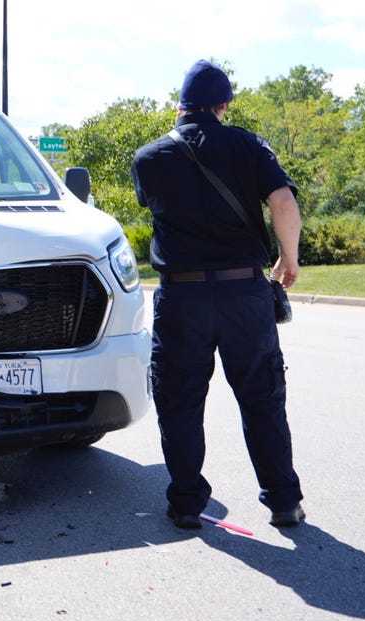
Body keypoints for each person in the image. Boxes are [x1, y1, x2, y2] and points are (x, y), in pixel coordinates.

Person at [130, 60, 304, 530]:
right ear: (224, 105)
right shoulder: (249, 146)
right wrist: (289, 258)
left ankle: (187, 503)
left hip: (182, 298)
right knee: (261, 397)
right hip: (244, 293)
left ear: (180, 105)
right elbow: (283, 203)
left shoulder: (149, 157)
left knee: (180, 400)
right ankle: (284, 501)